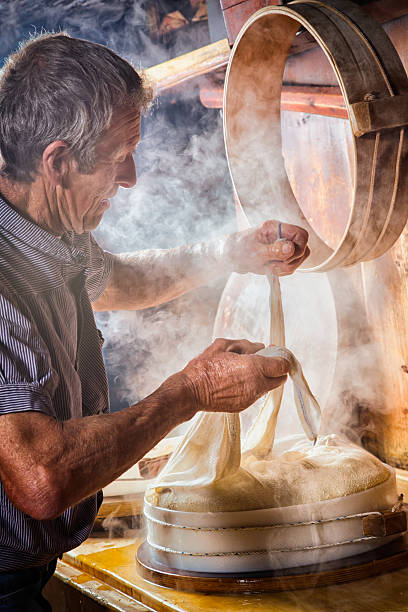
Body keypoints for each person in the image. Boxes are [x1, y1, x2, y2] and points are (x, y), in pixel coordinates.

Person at [0, 33, 309, 610]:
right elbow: (42, 480)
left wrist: (230, 253)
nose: (132, 178)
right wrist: (188, 391)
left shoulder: (42, 226)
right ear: (59, 161)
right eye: (120, 158)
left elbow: (116, 280)